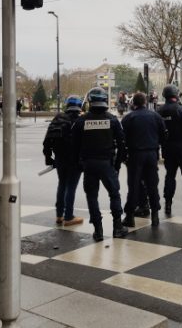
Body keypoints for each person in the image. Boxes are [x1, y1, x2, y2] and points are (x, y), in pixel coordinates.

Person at [71, 87, 128, 241]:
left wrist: (79, 163)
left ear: (90, 101)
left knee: (92, 197)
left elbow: (74, 146)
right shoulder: (112, 120)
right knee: (114, 194)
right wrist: (117, 165)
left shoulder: (81, 121)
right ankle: (117, 227)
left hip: (89, 165)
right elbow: (122, 144)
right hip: (107, 164)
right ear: (104, 100)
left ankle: (98, 230)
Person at [121, 92, 166, 227]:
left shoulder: (129, 118)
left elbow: (122, 138)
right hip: (151, 154)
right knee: (152, 185)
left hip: (135, 154)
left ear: (133, 103)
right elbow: (163, 135)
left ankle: (130, 216)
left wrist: (123, 156)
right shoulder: (156, 116)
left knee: (134, 186)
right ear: (145, 102)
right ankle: (155, 215)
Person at [43, 95, 84, 226]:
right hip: (75, 159)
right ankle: (69, 216)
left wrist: (48, 158)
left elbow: (47, 140)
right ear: (79, 106)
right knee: (71, 187)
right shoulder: (80, 120)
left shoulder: (57, 118)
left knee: (62, 185)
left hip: (60, 158)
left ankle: (59, 215)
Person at [157, 84, 182, 214]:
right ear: (176, 95)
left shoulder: (159, 110)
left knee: (170, 176)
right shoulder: (181, 110)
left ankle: (168, 204)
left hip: (168, 148)